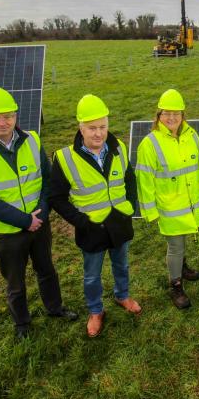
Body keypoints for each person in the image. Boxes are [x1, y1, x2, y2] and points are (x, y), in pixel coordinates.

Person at [0, 87, 77, 340]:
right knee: (15, 281)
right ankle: (22, 323)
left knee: (46, 269)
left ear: (16, 116)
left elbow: (47, 179)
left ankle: (55, 308)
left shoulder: (33, 139)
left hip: (39, 222)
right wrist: (25, 221)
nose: (3, 123)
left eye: (8, 116)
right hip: (7, 232)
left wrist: (42, 213)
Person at [48, 95, 141, 338]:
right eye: (92, 128)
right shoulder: (65, 158)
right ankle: (96, 311)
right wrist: (80, 221)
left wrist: (131, 205)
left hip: (119, 222)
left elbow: (129, 178)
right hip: (91, 229)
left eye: (102, 127)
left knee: (122, 264)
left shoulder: (118, 146)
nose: (98, 134)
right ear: (80, 128)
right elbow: (56, 198)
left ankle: (122, 295)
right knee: (92, 275)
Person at [136, 89, 199, 309]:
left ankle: (183, 268)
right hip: (168, 207)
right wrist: (151, 211)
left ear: (182, 115)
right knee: (175, 246)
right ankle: (175, 285)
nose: (171, 118)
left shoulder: (191, 136)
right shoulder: (150, 144)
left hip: (189, 203)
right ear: (158, 115)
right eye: (166, 113)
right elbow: (144, 179)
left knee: (183, 239)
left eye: (176, 113)